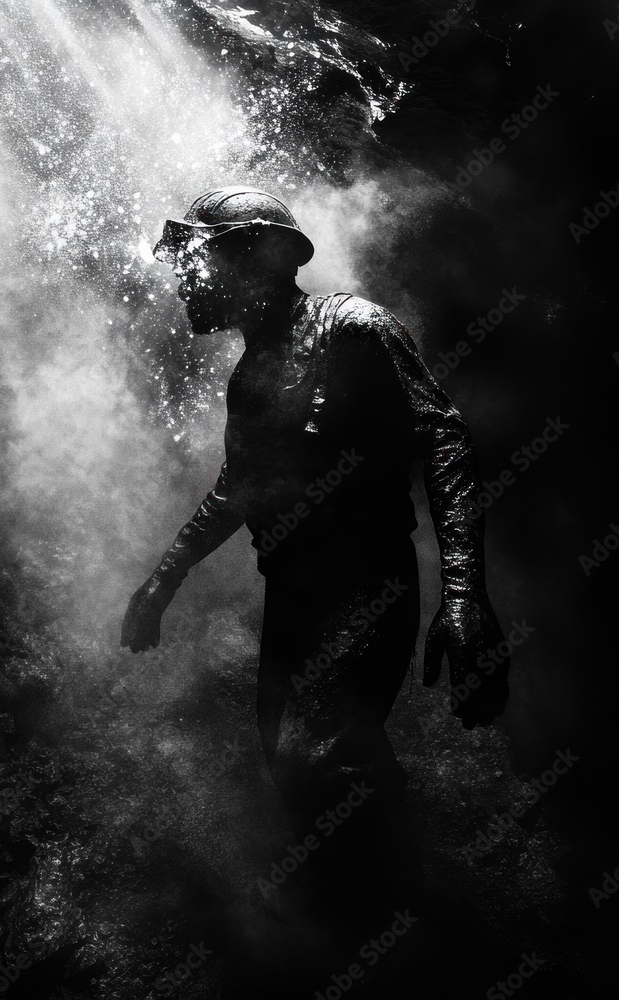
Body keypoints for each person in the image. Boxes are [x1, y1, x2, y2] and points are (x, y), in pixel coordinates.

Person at [120, 186, 510, 988]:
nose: (185, 278)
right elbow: (241, 487)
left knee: (320, 757)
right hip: (296, 597)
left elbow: (445, 439)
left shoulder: (355, 329)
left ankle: (419, 949)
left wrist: (465, 595)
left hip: (364, 589)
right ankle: (376, 920)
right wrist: (163, 578)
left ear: (255, 256)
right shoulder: (251, 373)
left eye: (199, 258)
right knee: (290, 762)